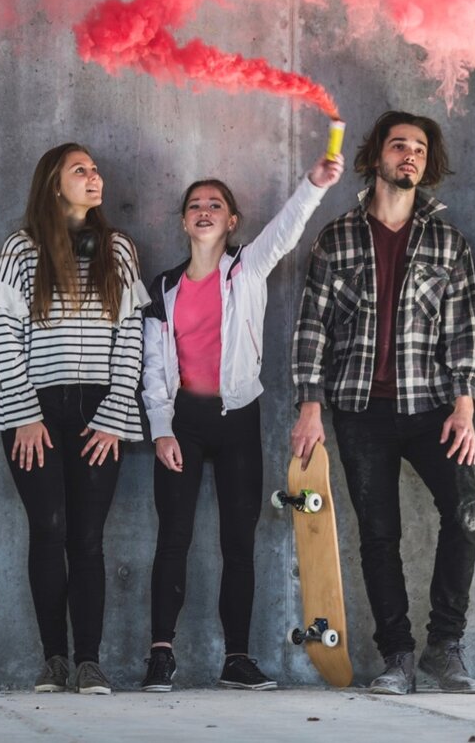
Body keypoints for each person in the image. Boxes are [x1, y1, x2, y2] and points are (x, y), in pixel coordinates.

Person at [290, 111, 475, 695]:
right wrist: (309, 404)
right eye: (398, 145)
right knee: (378, 533)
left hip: (433, 407)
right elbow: (311, 328)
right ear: (376, 156)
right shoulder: (337, 237)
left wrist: (465, 404)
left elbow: (462, 330)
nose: (409, 156)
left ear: (428, 163)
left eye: (419, 149)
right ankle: (398, 655)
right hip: (358, 408)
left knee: (466, 513)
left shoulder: (448, 242)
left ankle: (444, 649)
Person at [139, 150, 344, 693]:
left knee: (239, 541)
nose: (204, 210)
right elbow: (154, 369)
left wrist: (314, 185)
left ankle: (236, 658)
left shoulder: (247, 268)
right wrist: (160, 429)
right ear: (184, 221)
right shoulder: (160, 290)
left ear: (231, 222)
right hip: (183, 422)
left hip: (238, 421)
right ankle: (161, 655)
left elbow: (285, 231)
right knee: (173, 537)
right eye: (194, 205)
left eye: (215, 204)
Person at [0, 142, 147, 695]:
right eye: (81, 171)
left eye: (97, 169)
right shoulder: (22, 249)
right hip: (35, 414)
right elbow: (5, 336)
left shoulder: (118, 250)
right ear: (55, 184)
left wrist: (115, 415)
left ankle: (89, 661)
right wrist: (26, 413)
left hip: (101, 411)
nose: (94, 177)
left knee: (89, 539)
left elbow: (130, 339)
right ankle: (53, 659)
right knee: (48, 532)